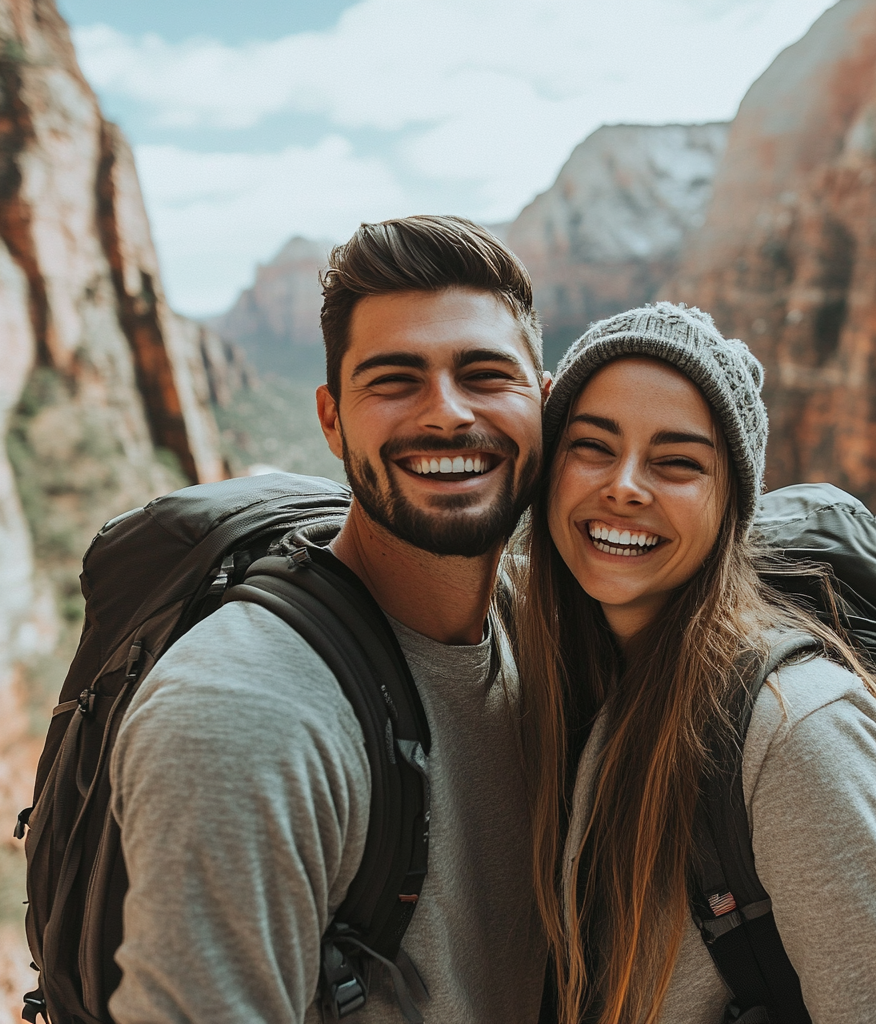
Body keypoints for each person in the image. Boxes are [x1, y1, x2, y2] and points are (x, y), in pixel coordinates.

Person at [108, 215, 549, 1024]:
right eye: (394, 379)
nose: (448, 414)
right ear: (331, 418)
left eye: (486, 374)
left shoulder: (544, 640)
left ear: (544, 403)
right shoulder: (245, 718)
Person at [516, 302, 876, 1024]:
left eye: (677, 463)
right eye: (591, 446)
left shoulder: (798, 734)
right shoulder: (570, 674)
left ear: (732, 507)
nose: (626, 485)